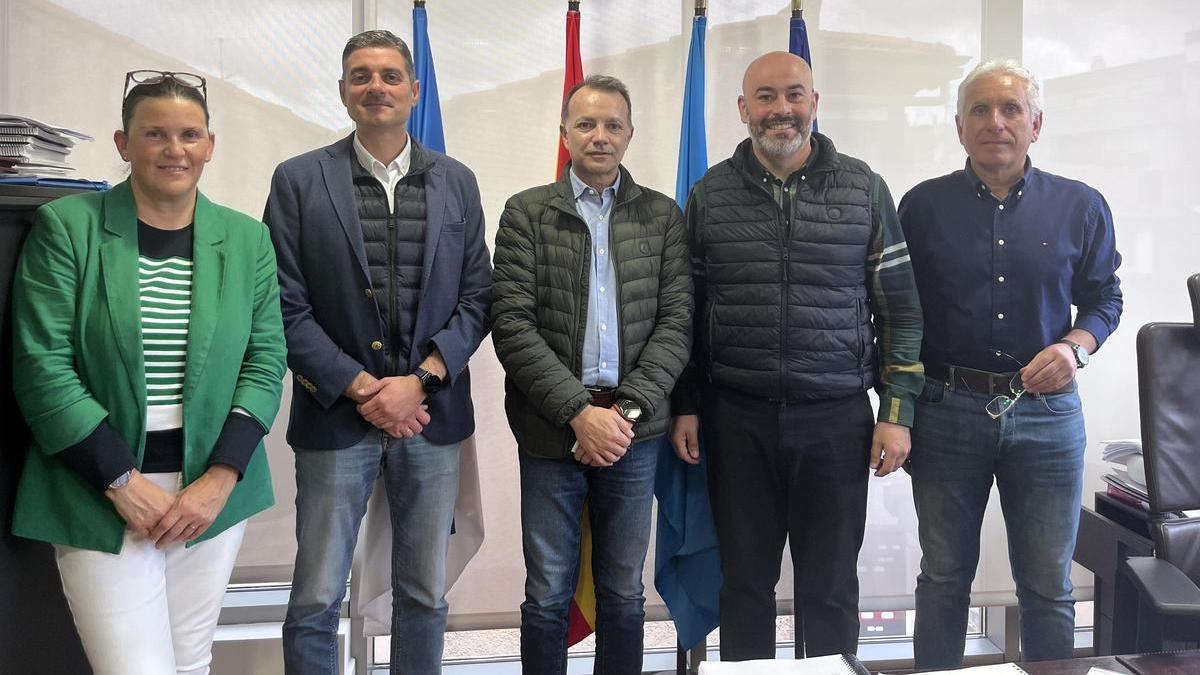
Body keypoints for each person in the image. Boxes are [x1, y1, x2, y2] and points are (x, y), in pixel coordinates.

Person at [10, 70, 286, 675]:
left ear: (210, 146)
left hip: (208, 494)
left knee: (190, 662)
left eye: (189, 134)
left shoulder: (246, 240)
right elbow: (41, 365)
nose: (174, 149)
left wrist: (220, 478)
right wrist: (120, 481)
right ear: (122, 143)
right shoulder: (69, 228)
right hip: (97, 490)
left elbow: (265, 361)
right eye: (154, 133)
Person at [669, 51, 924, 660]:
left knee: (831, 586)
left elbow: (901, 310)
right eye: (765, 96)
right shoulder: (710, 194)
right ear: (742, 109)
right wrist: (684, 404)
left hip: (835, 417)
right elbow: (684, 312)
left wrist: (897, 411)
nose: (780, 109)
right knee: (745, 584)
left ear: (815, 102)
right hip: (737, 418)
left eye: (793, 94)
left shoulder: (864, 187)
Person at [264, 30, 491, 674]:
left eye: (390, 76)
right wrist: (365, 389)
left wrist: (418, 382)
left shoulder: (458, 182)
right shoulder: (299, 181)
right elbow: (284, 304)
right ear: (342, 92)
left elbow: (478, 297)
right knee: (314, 596)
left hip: (431, 416)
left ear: (414, 91)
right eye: (361, 76)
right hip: (337, 415)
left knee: (423, 593)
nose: (376, 87)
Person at [899, 59, 1122, 668]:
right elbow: (893, 312)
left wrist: (1074, 347)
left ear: (1036, 124)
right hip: (945, 413)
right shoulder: (920, 207)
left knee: (1049, 584)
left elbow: (1106, 298)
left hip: (1048, 415)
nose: (995, 122)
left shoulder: (1080, 206)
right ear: (958, 126)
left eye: (1011, 109)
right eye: (980, 110)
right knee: (943, 577)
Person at [491, 74, 692, 674]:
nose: (599, 136)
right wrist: (580, 413)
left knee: (624, 588)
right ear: (565, 133)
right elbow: (511, 324)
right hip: (552, 429)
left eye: (611, 125)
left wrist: (622, 416)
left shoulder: (663, 216)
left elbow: (678, 323)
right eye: (586, 124)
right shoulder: (526, 213)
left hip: (633, 433)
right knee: (548, 589)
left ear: (629, 135)